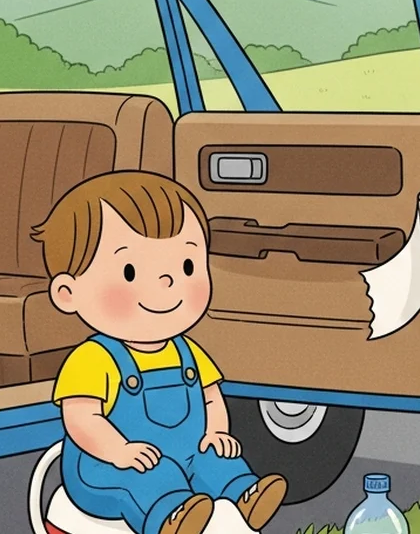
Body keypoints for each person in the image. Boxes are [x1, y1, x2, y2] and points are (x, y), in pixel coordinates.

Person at [32, 171, 287, 534]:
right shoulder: (93, 359)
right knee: (150, 477)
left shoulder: (188, 352)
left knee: (215, 461)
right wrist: (119, 450)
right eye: (130, 271)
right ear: (68, 293)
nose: (168, 282)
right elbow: (81, 418)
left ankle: (244, 494)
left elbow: (210, 397)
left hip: (185, 459)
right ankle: (171, 518)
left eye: (187, 266)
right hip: (107, 468)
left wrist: (216, 432)